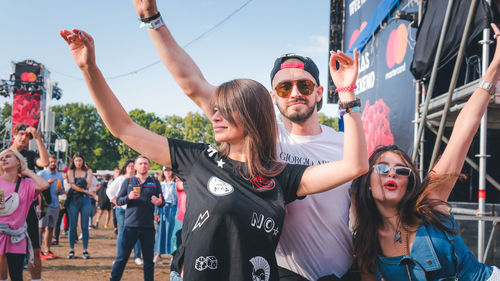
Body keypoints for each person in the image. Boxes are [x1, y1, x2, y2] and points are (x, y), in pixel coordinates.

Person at [60, 26, 368, 281]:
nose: (215, 117)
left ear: (252, 115)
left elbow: (354, 165)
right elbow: (122, 127)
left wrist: (347, 93)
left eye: (226, 110)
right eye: (215, 110)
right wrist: (89, 68)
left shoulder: (280, 175)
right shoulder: (197, 160)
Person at [130, 1, 360, 280]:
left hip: (339, 271)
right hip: (282, 273)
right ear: (273, 97)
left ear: (320, 92)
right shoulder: (256, 135)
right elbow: (192, 84)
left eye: (305, 85)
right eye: (284, 87)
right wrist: (153, 20)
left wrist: (347, 93)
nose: (295, 93)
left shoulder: (345, 143)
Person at [350, 23, 500, 281]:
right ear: (367, 182)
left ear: (409, 182)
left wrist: (496, 64)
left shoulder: (429, 202)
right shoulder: (367, 242)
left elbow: (465, 130)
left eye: (401, 170)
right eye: (383, 168)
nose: (393, 174)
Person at [112, 155, 164, 281]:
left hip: (148, 227)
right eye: (140, 163)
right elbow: (119, 201)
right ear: (135, 166)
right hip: (130, 226)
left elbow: (162, 202)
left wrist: (159, 203)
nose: (143, 166)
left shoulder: (155, 182)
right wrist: (128, 197)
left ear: (149, 166)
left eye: (145, 163)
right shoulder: (129, 181)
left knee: (148, 261)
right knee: (121, 258)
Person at [0, 149, 49, 281]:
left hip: (17, 236)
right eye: (1, 158)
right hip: (0, 233)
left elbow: (44, 185)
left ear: (18, 161)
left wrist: (27, 172)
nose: (3, 159)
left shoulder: (26, 184)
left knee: (17, 276)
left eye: (8, 156)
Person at [9, 123, 48, 281]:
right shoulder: (3, 155)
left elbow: (45, 162)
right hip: (7, 211)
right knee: (5, 252)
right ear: (14, 134)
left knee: (35, 250)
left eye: (28, 136)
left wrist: (38, 138)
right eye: (22, 134)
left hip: (27, 209)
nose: (24, 138)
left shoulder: (30, 155)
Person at [106, 160, 143, 265]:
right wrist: (115, 202)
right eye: (129, 166)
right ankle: (120, 256)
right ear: (125, 167)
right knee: (122, 233)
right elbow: (109, 191)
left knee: (137, 233)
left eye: (133, 166)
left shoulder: (138, 179)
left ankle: (137, 256)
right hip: (122, 210)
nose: (131, 168)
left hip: (135, 210)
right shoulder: (120, 179)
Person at [66, 153, 94, 259]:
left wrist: (83, 189)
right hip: (73, 199)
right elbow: (73, 185)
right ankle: (71, 249)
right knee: (72, 225)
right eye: (76, 160)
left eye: (80, 160)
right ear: (73, 161)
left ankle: (85, 250)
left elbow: (88, 184)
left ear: (83, 161)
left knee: (84, 226)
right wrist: (86, 191)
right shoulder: (70, 171)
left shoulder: (89, 171)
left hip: (85, 200)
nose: (78, 162)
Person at [37, 155, 64, 260]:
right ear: (47, 162)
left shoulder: (59, 175)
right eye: (51, 162)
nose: (53, 163)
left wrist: (60, 191)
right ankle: (38, 251)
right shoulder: (41, 174)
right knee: (41, 228)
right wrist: (47, 183)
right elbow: (37, 189)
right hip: (44, 205)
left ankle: (47, 250)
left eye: (54, 162)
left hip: (55, 204)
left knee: (51, 228)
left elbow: (61, 189)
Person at [153, 167, 177, 264]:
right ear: (163, 172)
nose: (167, 172)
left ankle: (173, 255)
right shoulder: (159, 184)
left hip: (173, 209)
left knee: (172, 232)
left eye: (169, 170)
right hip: (162, 209)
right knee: (160, 231)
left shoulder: (175, 184)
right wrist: (155, 212)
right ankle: (158, 255)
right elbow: (155, 199)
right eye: (166, 170)